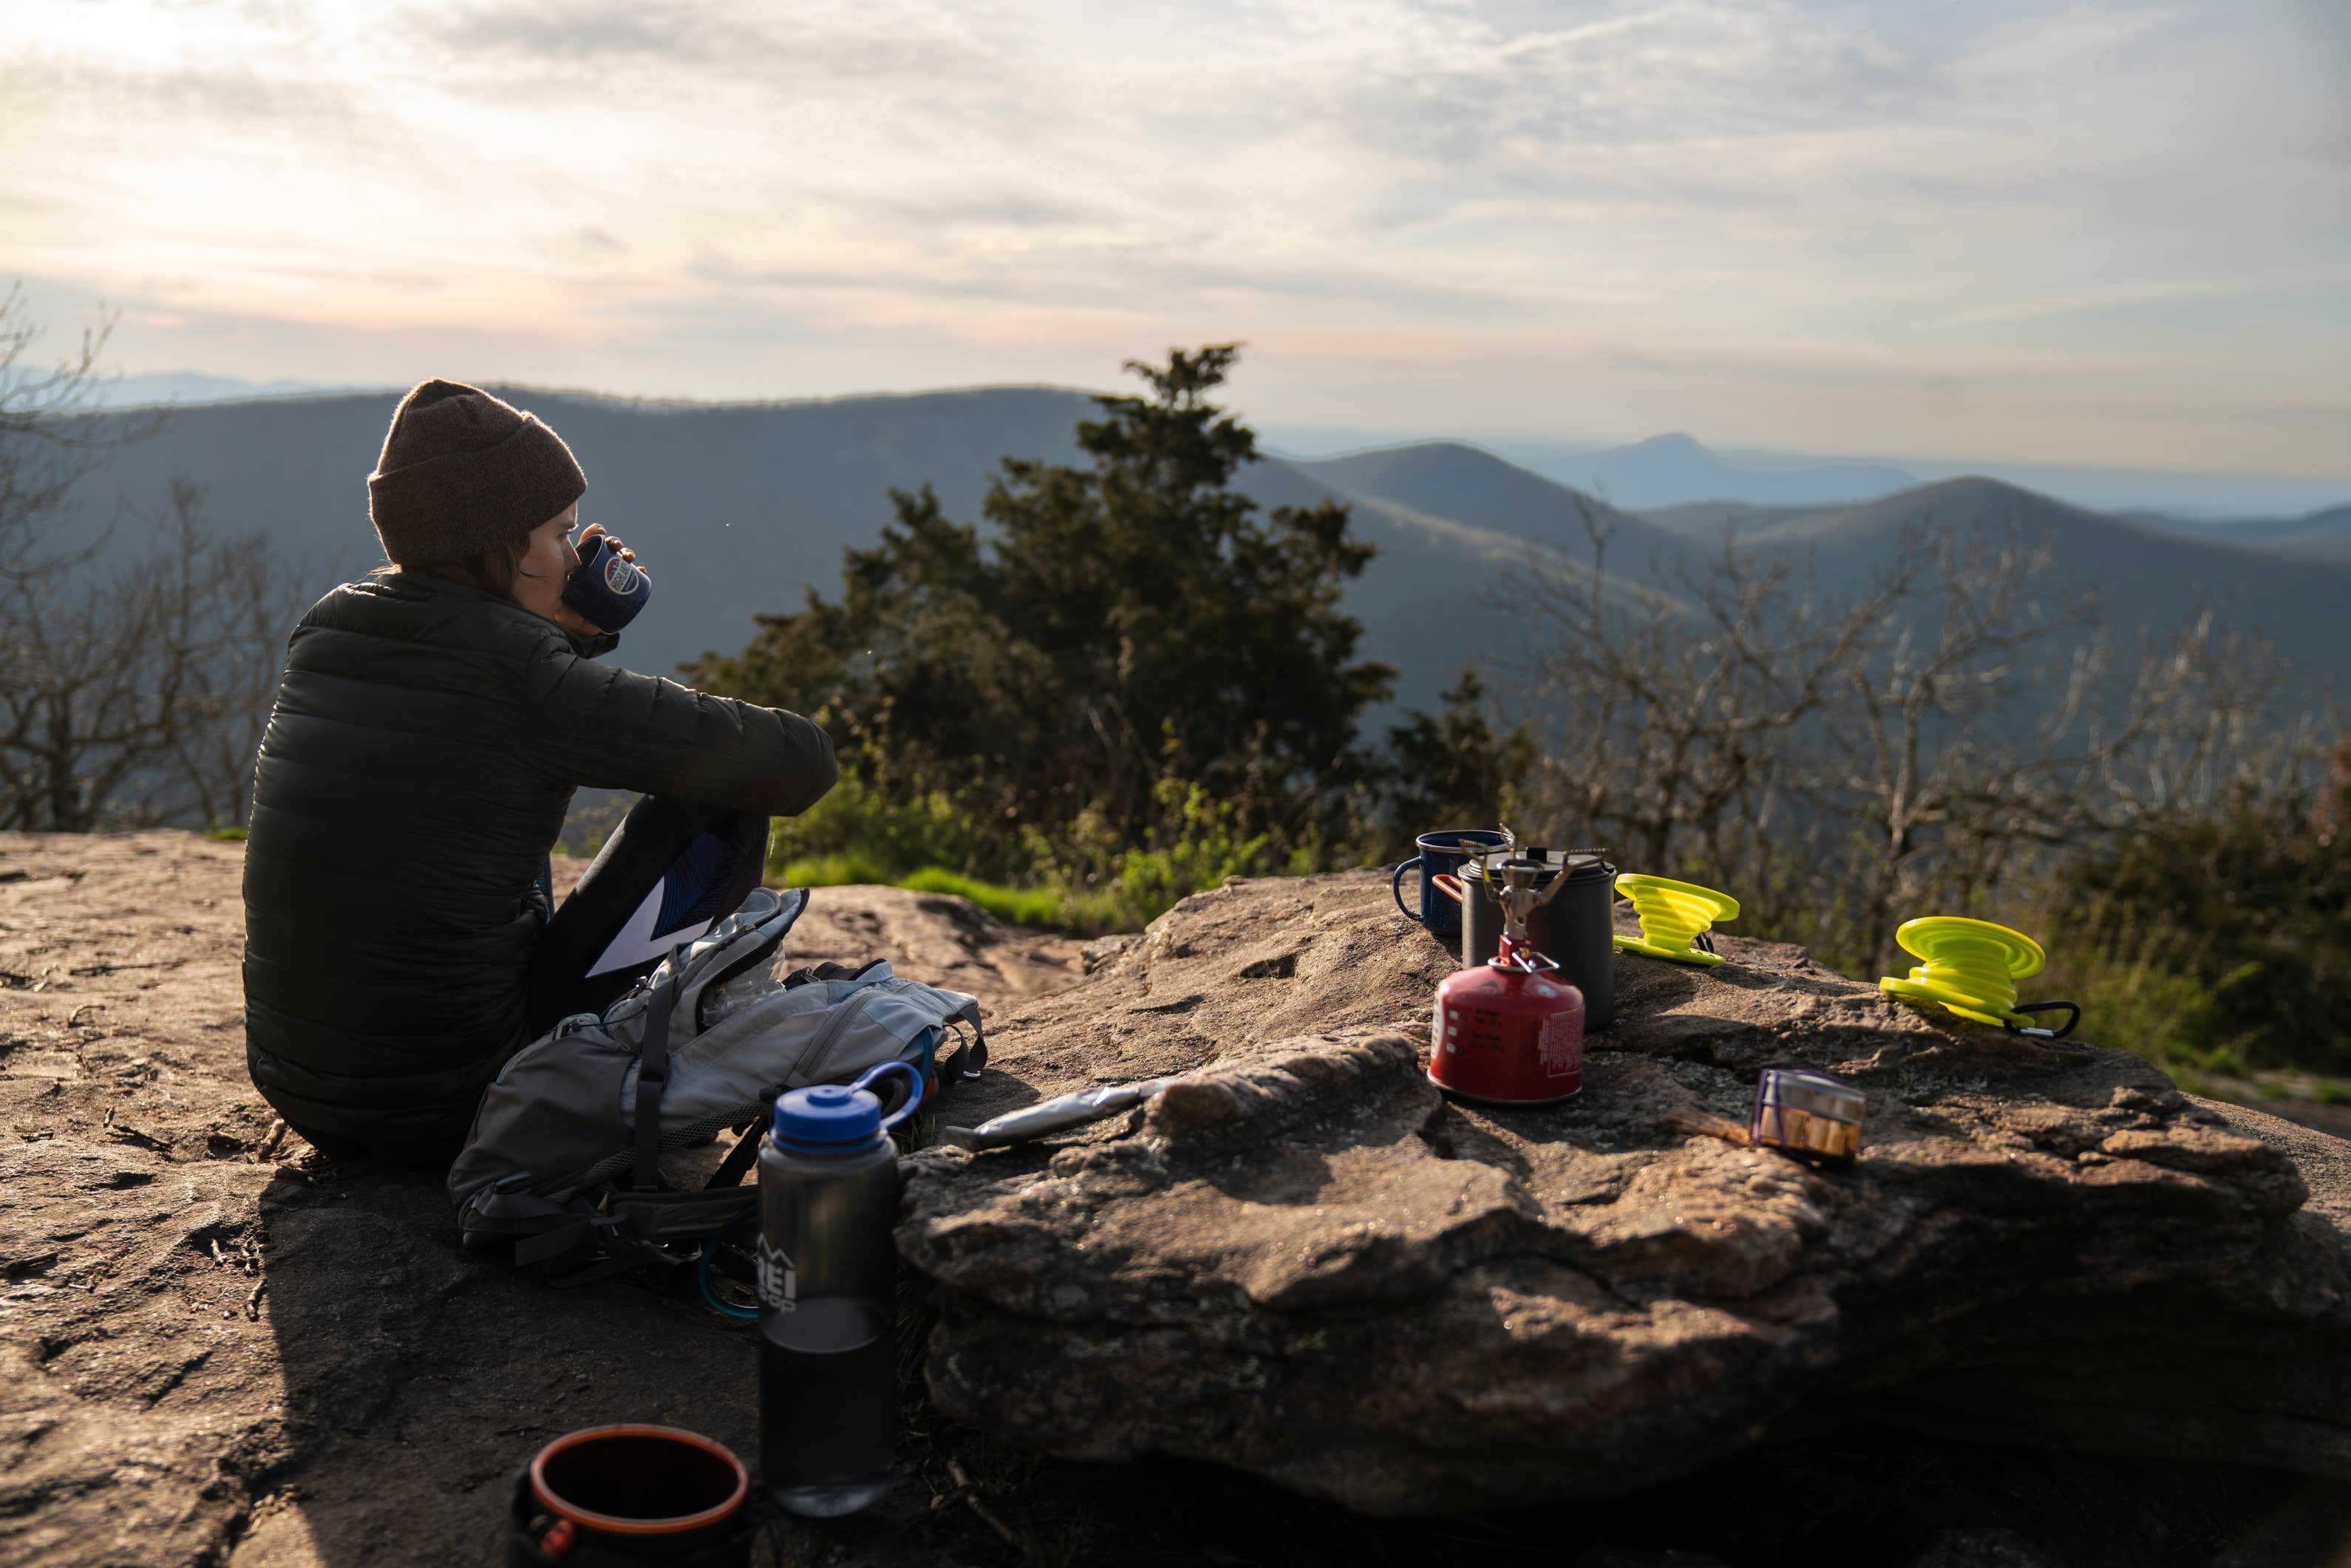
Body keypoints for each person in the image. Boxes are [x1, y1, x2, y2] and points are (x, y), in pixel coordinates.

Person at [242, 378, 837, 1169]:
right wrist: (561, 654)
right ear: (497, 541)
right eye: (559, 533)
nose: (576, 551)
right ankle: (663, 1062)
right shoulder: (524, 675)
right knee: (723, 803)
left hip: (307, 1090)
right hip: (454, 1105)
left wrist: (564, 642)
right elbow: (798, 763)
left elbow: (480, 727)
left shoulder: (328, 627)